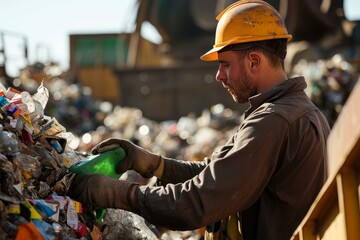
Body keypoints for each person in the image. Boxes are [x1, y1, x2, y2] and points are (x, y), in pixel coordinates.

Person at [67, 1, 330, 239]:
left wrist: (118, 194)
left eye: (225, 64)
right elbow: (218, 174)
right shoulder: (300, 111)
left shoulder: (273, 121)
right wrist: (155, 165)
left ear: (253, 61)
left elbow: (197, 202)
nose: (219, 75)